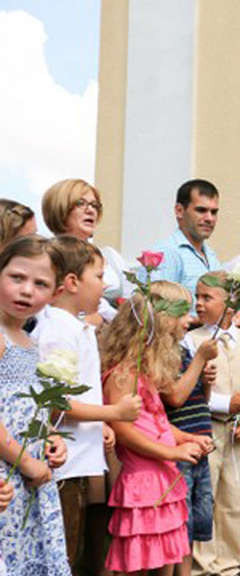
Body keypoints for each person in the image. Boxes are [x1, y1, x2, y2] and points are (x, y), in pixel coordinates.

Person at [30, 236, 143, 573]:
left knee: (76, 543)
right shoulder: (56, 331)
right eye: (98, 275)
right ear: (71, 282)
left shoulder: (74, 328)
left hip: (80, 460)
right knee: (62, 549)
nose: (104, 284)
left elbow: (82, 395)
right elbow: (51, 402)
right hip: (63, 464)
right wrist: (114, 413)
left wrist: (102, 423)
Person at [100, 287, 208, 576]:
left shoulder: (144, 372)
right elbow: (124, 432)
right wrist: (172, 451)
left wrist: (186, 437)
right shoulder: (123, 373)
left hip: (163, 475)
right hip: (141, 482)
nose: (190, 319)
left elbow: (155, 422)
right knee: (138, 559)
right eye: (182, 313)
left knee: (165, 555)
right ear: (161, 320)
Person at [187, 271, 240, 576]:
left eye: (207, 297)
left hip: (237, 433)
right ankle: (202, 565)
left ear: (230, 304)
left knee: (233, 497)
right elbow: (190, 392)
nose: (200, 303)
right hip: (205, 427)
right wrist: (223, 404)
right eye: (198, 297)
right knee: (206, 498)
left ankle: (230, 563)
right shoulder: (192, 340)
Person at [0, 236, 70, 575]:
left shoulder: (28, 341)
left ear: (56, 293)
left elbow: (29, 407)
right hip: (8, 476)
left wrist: (50, 439)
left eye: (40, 283)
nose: (27, 290)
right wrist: (26, 461)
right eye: (17, 278)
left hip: (28, 473)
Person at [156, 281, 219, 576]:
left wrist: (204, 381)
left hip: (198, 442)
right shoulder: (159, 354)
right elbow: (175, 397)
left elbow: (196, 398)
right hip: (177, 446)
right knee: (180, 522)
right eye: (183, 314)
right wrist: (199, 361)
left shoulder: (181, 349)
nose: (190, 320)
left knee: (195, 521)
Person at [41, 179, 135, 323]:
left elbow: (133, 302)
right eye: (80, 203)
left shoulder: (110, 256)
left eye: (94, 205)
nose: (90, 210)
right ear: (60, 207)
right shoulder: (46, 256)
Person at [147, 179, 223, 298]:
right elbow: (153, 308)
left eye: (214, 212)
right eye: (201, 210)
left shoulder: (211, 255)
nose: (209, 218)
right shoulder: (166, 253)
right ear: (179, 211)